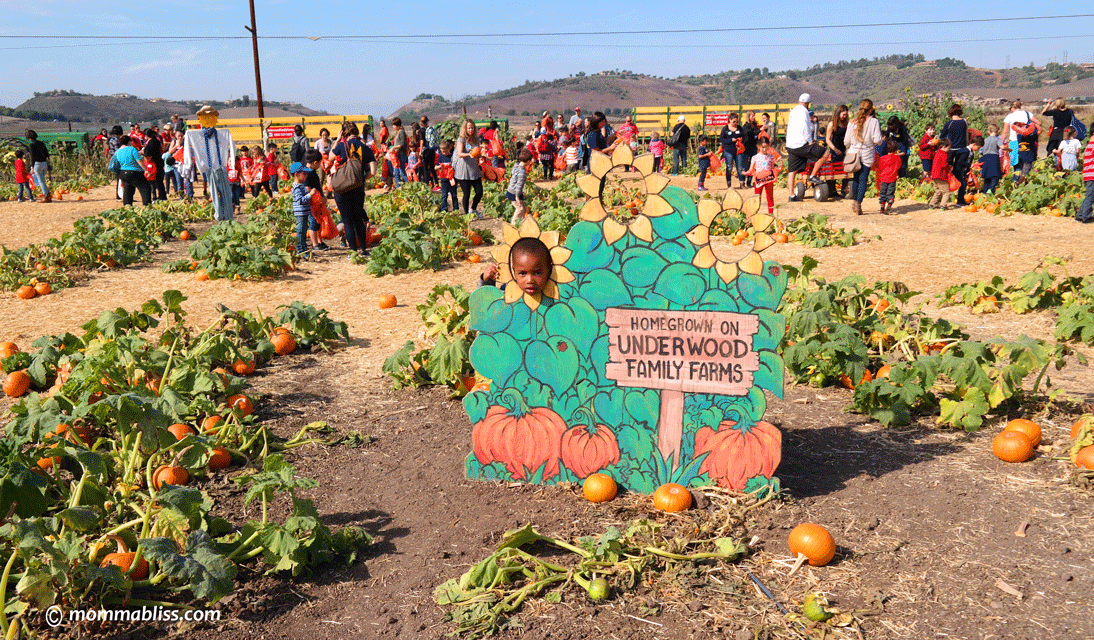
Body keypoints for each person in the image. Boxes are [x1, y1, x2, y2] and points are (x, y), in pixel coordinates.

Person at [329, 121, 376, 256]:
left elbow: (330, 157)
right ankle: (363, 250)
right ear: (356, 132)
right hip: (357, 189)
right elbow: (372, 172)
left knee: (347, 221)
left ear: (344, 133)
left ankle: (352, 251)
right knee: (358, 220)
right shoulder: (365, 147)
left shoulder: (341, 146)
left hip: (341, 189)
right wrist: (360, 179)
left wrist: (337, 140)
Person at [842, 99, 883, 215]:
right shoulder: (873, 122)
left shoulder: (852, 122)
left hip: (854, 154)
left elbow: (846, 141)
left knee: (855, 178)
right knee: (863, 180)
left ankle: (855, 202)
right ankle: (859, 203)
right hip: (867, 154)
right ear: (870, 109)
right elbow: (877, 140)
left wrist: (853, 146)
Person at [786, 94, 829, 201]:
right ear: (808, 103)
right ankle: (813, 175)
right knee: (825, 153)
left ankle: (792, 196)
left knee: (792, 171)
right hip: (802, 144)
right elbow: (805, 127)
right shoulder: (804, 111)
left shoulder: (793, 110)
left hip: (791, 145)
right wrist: (810, 141)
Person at [480, 236, 552, 300]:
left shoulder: (558, 293)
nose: (530, 280)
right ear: (514, 271)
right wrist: (487, 282)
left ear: (549, 270)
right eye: (522, 273)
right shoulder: (507, 291)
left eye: (537, 273)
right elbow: (486, 303)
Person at [940, 104, 971, 206]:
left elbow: (942, 137)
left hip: (951, 151)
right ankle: (960, 200)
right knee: (960, 175)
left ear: (950, 113)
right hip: (962, 150)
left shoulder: (949, 124)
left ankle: (944, 196)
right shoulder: (964, 122)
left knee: (946, 173)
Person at [108, 134, 151, 206]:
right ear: (129, 142)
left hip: (122, 173)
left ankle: (127, 206)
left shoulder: (118, 151)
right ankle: (147, 206)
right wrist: (146, 170)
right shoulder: (132, 149)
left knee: (128, 190)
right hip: (134, 172)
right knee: (145, 188)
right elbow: (139, 160)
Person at [454, 119, 484, 217]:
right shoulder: (461, 139)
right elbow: (459, 153)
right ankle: (467, 215)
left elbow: (477, 152)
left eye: (472, 128)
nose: (470, 130)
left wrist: (481, 155)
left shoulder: (476, 139)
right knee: (466, 193)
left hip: (474, 169)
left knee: (479, 192)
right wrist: (469, 154)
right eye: (469, 128)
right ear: (465, 129)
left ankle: (473, 209)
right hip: (463, 169)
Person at [744, 137, 781, 215]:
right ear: (758, 146)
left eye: (766, 147)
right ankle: (754, 213)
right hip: (759, 180)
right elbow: (751, 169)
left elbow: (772, 168)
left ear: (769, 146)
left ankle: (771, 214)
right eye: (762, 147)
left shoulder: (771, 157)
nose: (764, 149)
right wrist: (747, 173)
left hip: (768, 179)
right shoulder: (755, 157)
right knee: (757, 197)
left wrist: (778, 169)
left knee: (770, 197)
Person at [290, 162, 317, 257]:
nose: (306, 176)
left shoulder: (301, 186)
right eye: (304, 173)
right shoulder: (296, 187)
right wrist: (310, 195)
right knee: (300, 232)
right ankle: (300, 250)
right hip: (300, 213)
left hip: (304, 212)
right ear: (297, 174)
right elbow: (300, 200)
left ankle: (304, 249)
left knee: (304, 231)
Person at [1002, 100, 1037, 173]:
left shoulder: (1010, 116)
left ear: (1012, 107)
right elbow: (1038, 123)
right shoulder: (1028, 114)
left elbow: (1005, 132)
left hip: (1014, 142)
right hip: (1026, 141)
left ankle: (1017, 179)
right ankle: (1025, 179)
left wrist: (1001, 143)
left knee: (1017, 164)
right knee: (1027, 162)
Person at [825, 105, 849, 197]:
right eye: (843, 114)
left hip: (845, 150)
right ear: (838, 113)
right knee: (834, 170)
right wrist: (834, 149)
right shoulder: (832, 124)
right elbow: (828, 139)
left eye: (846, 115)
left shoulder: (846, 124)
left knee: (846, 169)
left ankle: (844, 189)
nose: (844, 116)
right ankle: (832, 190)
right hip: (835, 150)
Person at [874, 140, 902, 215]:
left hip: (883, 178)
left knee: (883, 193)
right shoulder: (897, 158)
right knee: (890, 193)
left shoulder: (882, 158)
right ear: (896, 149)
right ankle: (890, 202)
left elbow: (879, 168)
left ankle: (882, 209)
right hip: (892, 178)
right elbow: (899, 166)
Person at [507, 148, 532, 224]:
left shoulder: (516, 165)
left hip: (511, 190)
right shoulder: (522, 172)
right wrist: (517, 196)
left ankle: (520, 223)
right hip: (514, 193)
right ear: (528, 161)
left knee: (524, 209)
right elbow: (519, 185)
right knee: (520, 209)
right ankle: (513, 225)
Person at [719, 115, 744, 189]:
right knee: (729, 168)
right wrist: (730, 140)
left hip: (738, 151)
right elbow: (721, 139)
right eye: (734, 121)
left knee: (740, 167)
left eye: (737, 121)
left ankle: (742, 184)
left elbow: (744, 136)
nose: (735, 123)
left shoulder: (739, 128)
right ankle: (729, 184)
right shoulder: (725, 129)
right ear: (729, 120)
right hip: (728, 151)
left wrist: (741, 139)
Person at [25, 130, 51, 203]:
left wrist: (32, 167)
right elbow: (46, 154)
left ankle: (46, 196)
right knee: (43, 180)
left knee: (41, 181)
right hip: (44, 163)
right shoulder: (41, 143)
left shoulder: (31, 145)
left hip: (37, 164)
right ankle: (48, 195)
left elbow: (32, 157)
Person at [928, 138, 953, 210]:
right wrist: (949, 168)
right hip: (941, 176)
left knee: (938, 191)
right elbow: (944, 165)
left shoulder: (937, 153)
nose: (949, 149)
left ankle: (932, 204)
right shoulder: (944, 154)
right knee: (946, 192)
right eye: (948, 148)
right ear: (944, 147)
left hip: (934, 175)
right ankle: (943, 205)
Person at [142, 127, 166, 201]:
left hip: (154, 163)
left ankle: (157, 197)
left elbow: (147, 153)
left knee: (153, 181)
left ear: (146, 135)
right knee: (159, 182)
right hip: (159, 161)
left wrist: (142, 152)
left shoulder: (151, 142)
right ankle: (162, 196)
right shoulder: (156, 141)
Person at [436, 140, 458, 213]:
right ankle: (444, 209)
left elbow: (456, 165)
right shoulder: (441, 157)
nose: (444, 153)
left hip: (452, 178)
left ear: (448, 149)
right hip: (444, 178)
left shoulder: (452, 157)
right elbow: (435, 167)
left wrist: (451, 165)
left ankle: (456, 209)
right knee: (444, 195)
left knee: (454, 194)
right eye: (442, 151)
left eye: (445, 151)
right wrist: (441, 165)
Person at [1078, 124, 1094, 223]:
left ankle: (1080, 215)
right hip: (1092, 174)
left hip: (1088, 174)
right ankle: (1086, 217)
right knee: (1091, 196)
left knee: (1089, 195)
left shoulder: (1089, 144)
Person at [980, 127, 1002, 194]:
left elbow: (981, 151)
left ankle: (985, 192)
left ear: (988, 132)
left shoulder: (985, 140)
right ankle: (991, 189)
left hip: (986, 157)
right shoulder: (998, 139)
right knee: (995, 176)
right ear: (998, 131)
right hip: (994, 157)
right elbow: (1001, 147)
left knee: (987, 177)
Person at [741, 111, 760, 187]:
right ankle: (742, 182)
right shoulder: (745, 126)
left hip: (753, 147)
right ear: (748, 117)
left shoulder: (755, 125)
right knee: (745, 165)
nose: (754, 117)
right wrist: (759, 130)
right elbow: (749, 133)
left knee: (752, 166)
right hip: (746, 148)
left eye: (754, 116)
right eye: (752, 116)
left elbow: (756, 133)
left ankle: (749, 182)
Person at [420, 116, 439, 190]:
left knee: (425, 169)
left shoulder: (421, 131)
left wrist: (420, 151)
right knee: (432, 167)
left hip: (425, 151)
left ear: (421, 122)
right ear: (427, 121)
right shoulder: (430, 129)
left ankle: (426, 185)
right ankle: (436, 183)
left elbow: (422, 141)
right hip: (432, 150)